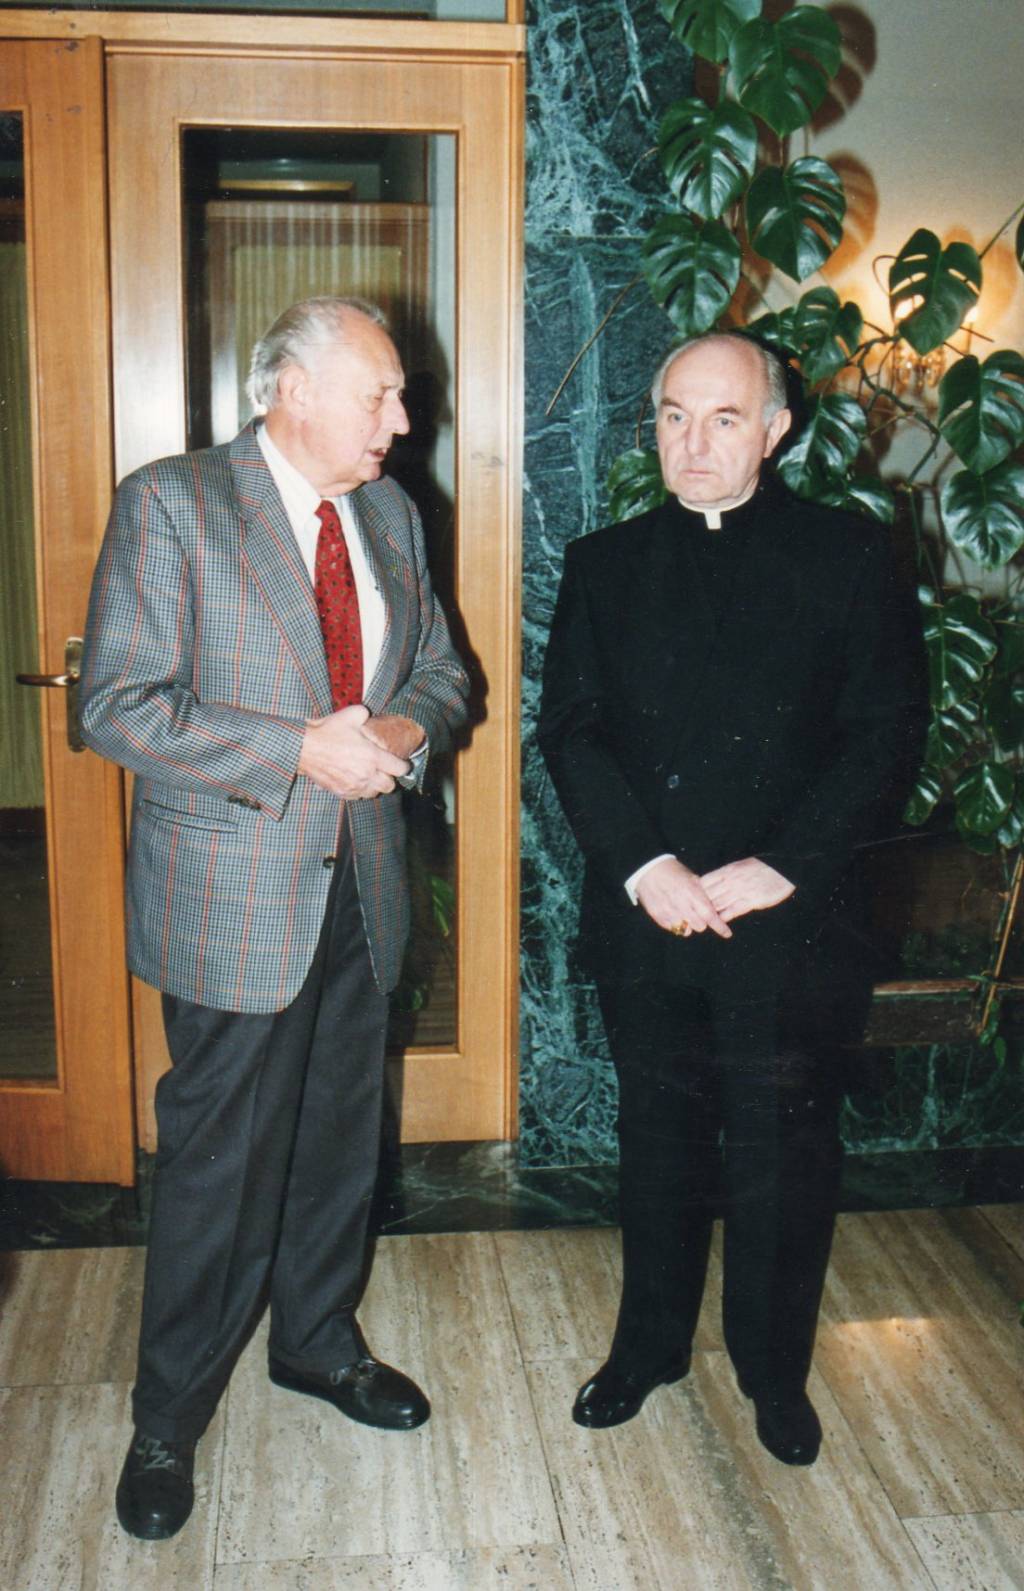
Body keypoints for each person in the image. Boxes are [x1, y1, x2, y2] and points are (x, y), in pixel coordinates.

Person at [80, 296, 470, 1539]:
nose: (401, 421)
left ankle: (315, 1340)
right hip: (232, 897)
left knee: (339, 1138)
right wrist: (299, 748)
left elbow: (442, 672)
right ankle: (166, 1415)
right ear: (290, 391)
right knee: (220, 1162)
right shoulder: (173, 504)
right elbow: (117, 704)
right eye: (380, 395)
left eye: (400, 396)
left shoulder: (391, 513)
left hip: (364, 882)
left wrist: (394, 731)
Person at [538, 332, 926, 1466]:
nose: (693, 443)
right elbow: (572, 731)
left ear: (774, 430)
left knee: (780, 1151)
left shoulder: (848, 555)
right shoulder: (604, 563)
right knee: (655, 1141)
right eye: (673, 416)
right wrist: (643, 865)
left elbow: (885, 733)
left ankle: (772, 1371)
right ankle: (647, 1348)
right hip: (650, 910)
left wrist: (783, 864)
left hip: (789, 918)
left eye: (722, 418)